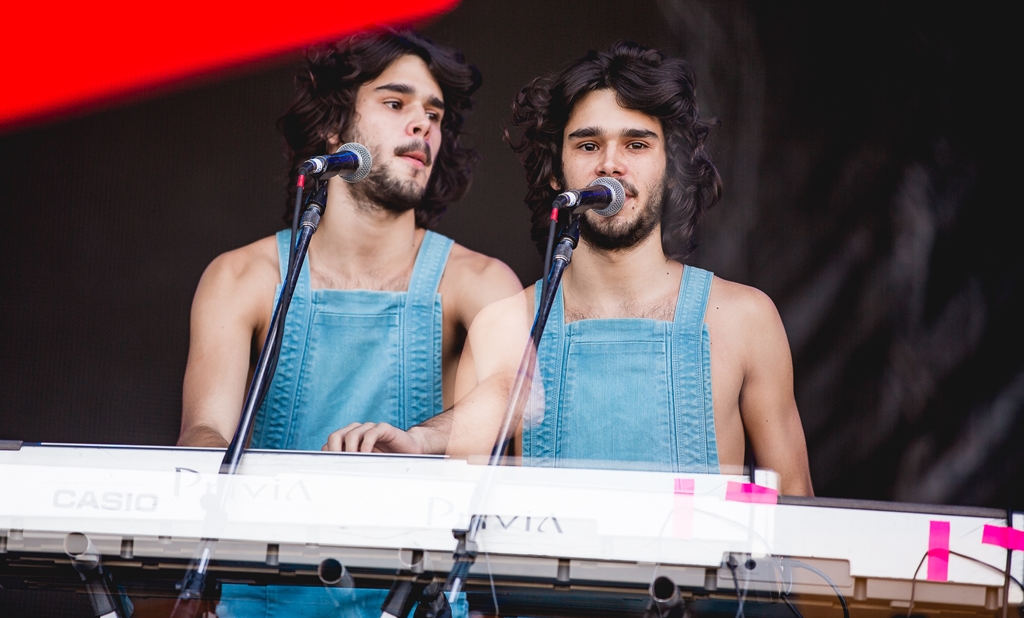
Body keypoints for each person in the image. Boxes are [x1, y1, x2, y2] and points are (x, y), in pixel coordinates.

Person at [327, 41, 814, 497]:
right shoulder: (503, 325)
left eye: (637, 145)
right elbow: (467, 528)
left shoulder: (746, 319)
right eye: (587, 146)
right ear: (557, 170)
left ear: (671, 167)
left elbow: (799, 522)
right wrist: (419, 441)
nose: (610, 165)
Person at [176, 30, 521, 617]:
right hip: (260, 603)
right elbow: (204, 434)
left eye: (434, 114)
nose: (423, 127)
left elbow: (511, 395)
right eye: (396, 104)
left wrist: (421, 442)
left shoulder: (481, 281)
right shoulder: (240, 276)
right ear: (333, 129)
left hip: (412, 602)